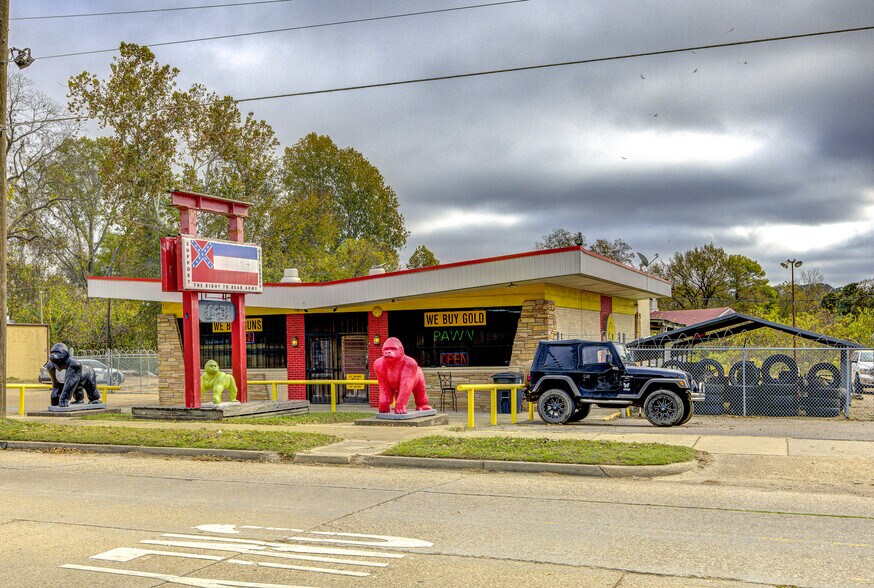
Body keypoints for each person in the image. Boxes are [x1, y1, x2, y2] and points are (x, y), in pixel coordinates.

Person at [45, 343, 101, 408]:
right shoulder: (50, 366)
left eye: (57, 353)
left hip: (87, 373)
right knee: (74, 389)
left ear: (65, 354)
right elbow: (56, 385)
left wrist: (64, 400)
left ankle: (94, 398)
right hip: (72, 379)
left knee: (90, 388)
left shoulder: (74, 365)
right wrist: (54, 400)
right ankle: (79, 399)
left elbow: (70, 384)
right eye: (52, 353)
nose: (53, 355)